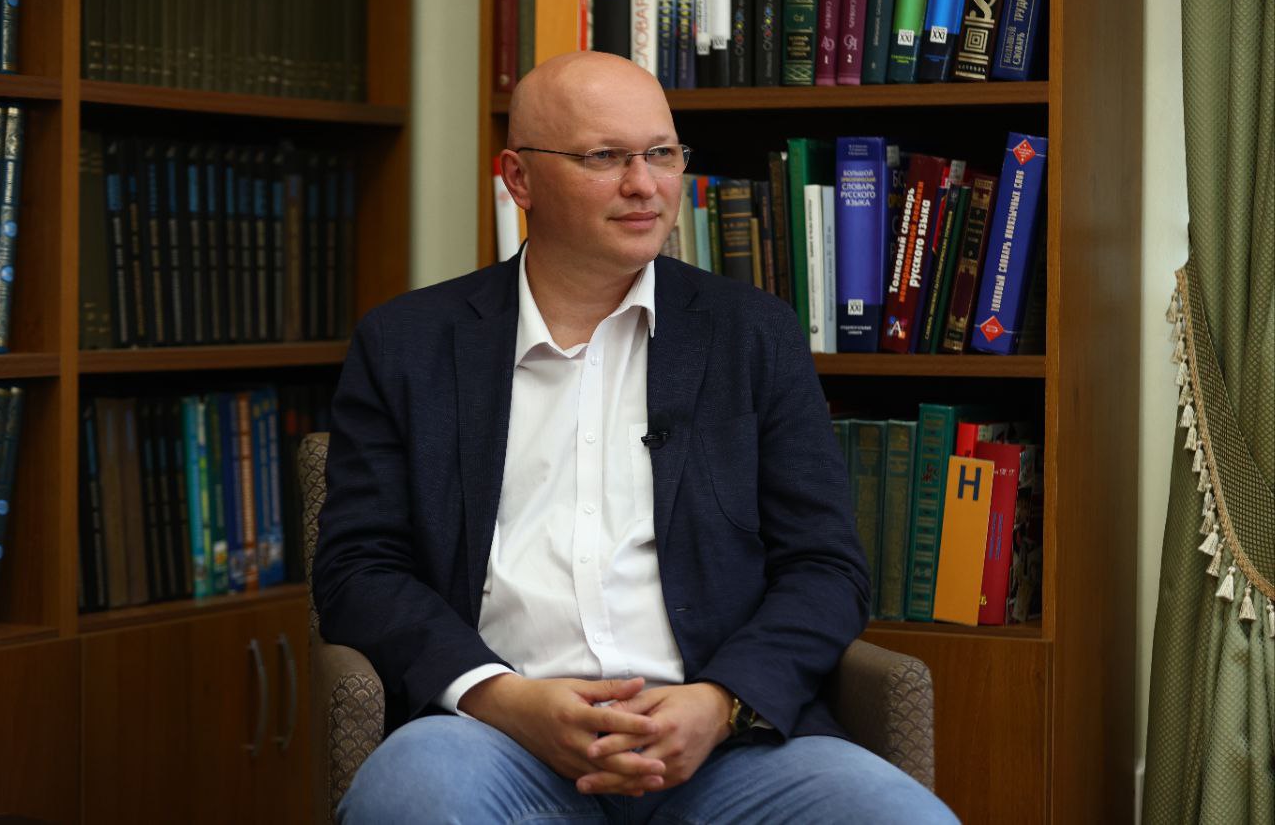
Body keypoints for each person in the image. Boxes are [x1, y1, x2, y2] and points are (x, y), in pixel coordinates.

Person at [314, 51, 955, 824]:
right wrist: (501, 697)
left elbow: (826, 567)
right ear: (519, 179)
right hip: (495, 741)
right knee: (409, 798)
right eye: (604, 157)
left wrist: (720, 702)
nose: (644, 184)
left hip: (728, 749)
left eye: (661, 153)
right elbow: (358, 570)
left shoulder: (753, 335)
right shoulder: (407, 344)